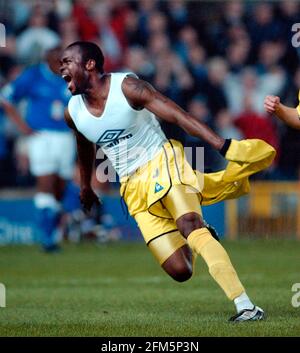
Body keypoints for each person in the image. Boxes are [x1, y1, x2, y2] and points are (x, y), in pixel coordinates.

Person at [60, 41, 275, 322]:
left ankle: (245, 305)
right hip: (132, 187)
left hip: (162, 161)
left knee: (189, 226)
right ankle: (200, 231)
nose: (61, 67)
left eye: (67, 61)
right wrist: (86, 186)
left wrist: (222, 145)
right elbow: (84, 145)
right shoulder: (72, 111)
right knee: (181, 270)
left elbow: (178, 114)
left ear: (89, 64)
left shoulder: (128, 88)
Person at [0, 46, 75, 252]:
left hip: (66, 136)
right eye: (57, 60)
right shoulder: (33, 75)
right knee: (46, 182)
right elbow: (6, 98)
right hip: (41, 136)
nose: (61, 65)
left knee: (61, 187)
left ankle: (53, 226)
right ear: (47, 60)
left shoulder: (71, 76)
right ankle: (47, 237)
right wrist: (22, 126)